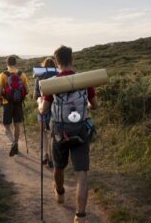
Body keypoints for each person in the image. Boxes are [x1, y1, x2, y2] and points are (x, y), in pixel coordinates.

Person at [38, 46, 98, 223]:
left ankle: (61, 193)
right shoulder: (85, 81)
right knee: (82, 174)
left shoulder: (52, 83)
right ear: (72, 59)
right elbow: (95, 106)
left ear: (57, 62)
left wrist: (39, 103)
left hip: (59, 131)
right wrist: (85, 106)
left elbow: (44, 110)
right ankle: (80, 216)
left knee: (58, 166)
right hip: (80, 130)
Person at [0, 55, 29, 157]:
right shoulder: (22, 75)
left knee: (6, 125)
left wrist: (0, 96)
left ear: (7, 63)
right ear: (15, 63)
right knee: (17, 124)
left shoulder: (3, 75)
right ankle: (16, 144)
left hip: (7, 103)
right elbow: (27, 90)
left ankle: (13, 143)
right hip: (18, 103)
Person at [33, 57, 58, 168]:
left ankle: (45, 155)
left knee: (43, 132)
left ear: (44, 66)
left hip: (43, 107)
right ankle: (52, 158)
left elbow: (35, 96)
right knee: (52, 134)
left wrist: (39, 100)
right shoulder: (58, 76)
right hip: (56, 109)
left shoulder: (39, 77)